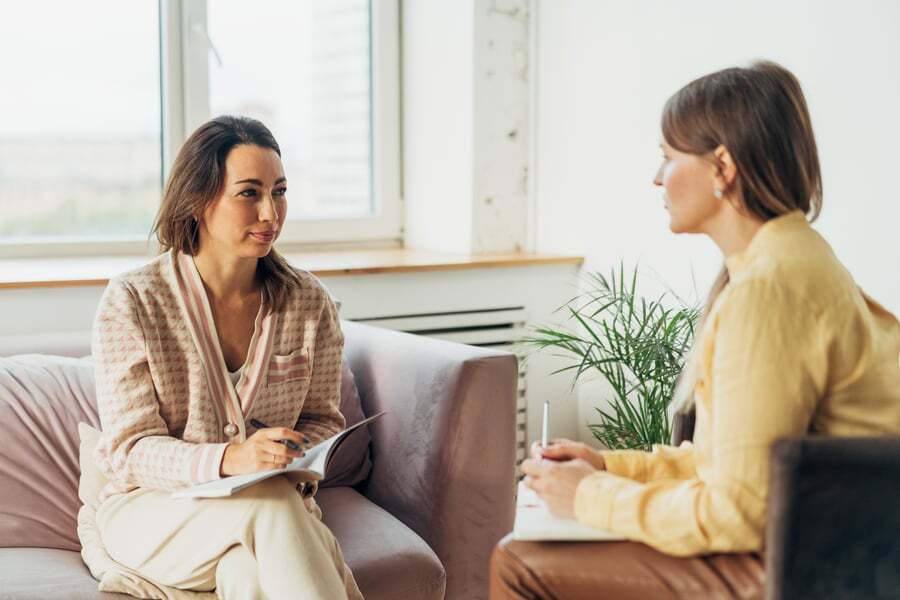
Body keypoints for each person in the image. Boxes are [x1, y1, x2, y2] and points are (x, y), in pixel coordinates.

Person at [493, 60, 900, 598]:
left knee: (518, 561)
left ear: (723, 167)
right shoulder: (793, 260)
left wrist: (589, 496)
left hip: (808, 563)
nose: (657, 176)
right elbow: (727, 462)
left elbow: (737, 512)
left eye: (667, 156)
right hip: (835, 536)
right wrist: (607, 465)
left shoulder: (767, 293)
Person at [84, 116, 362, 599]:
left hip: (266, 513)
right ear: (198, 201)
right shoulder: (133, 300)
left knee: (247, 573)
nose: (270, 214)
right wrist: (234, 459)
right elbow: (130, 450)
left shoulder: (308, 302)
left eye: (279, 192)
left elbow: (322, 420)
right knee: (272, 504)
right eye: (249, 193)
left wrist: (290, 455)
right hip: (152, 513)